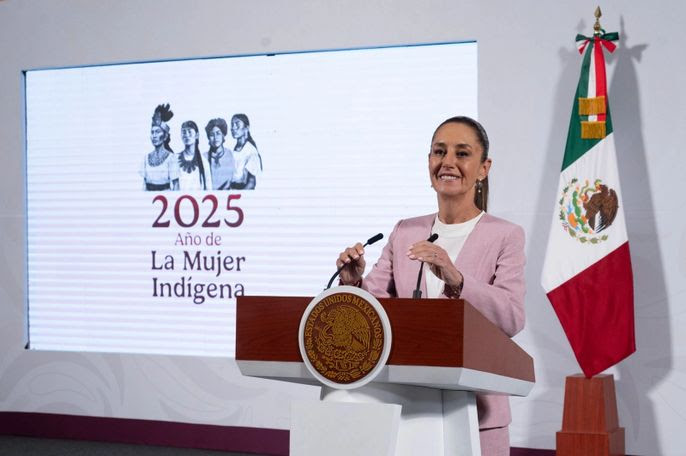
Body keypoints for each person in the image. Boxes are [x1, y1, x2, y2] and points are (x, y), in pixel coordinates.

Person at [336, 116, 526, 456]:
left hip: (477, 414)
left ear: (484, 168)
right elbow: (375, 309)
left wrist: (457, 279)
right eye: (440, 152)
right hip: (409, 410)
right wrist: (353, 284)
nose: (448, 162)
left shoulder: (505, 235)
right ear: (429, 163)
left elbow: (511, 317)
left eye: (462, 153)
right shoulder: (405, 231)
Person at [140, 104, 179, 191]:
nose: (154, 136)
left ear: (165, 136)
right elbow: (144, 185)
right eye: (152, 132)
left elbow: (176, 186)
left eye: (157, 132)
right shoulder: (146, 158)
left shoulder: (171, 158)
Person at [229, 114, 262, 190]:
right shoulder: (235, 149)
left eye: (237, 124)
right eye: (232, 125)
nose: (233, 128)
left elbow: (251, 183)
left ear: (246, 128)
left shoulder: (250, 151)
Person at [177, 120, 212, 191]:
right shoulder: (175, 159)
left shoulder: (204, 162)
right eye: (184, 132)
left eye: (189, 132)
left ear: (197, 135)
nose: (187, 135)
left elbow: (208, 189)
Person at [205, 118, 235, 190]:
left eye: (218, 133)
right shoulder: (203, 157)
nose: (215, 138)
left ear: (223, 135)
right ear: (208, 137)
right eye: (212, 135)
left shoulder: (231, 155)